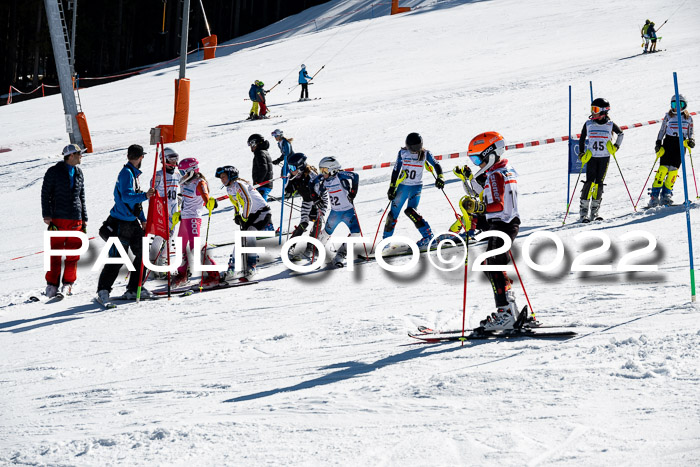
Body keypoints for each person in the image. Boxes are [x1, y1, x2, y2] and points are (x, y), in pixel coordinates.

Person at [460, 131, 523, 331]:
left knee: (492, 266)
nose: (477, 163)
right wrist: (478, 218)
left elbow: (496, 204)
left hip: (501, 225)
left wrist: (476, 209)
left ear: (491, 154)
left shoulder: (495, 174)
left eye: (478, 158)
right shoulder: (505, 169)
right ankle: (510, 309)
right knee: (493, 266)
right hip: (506, 223)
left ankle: (505, 313)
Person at [96, 145, 156, 302]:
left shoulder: (133, 174)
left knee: (143, 254)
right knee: (117, 258)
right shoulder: (126, 173)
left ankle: (134, 288)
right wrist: (145, 195)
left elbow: (136, 204)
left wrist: (142, 219)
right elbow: (127, 197)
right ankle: (103, 290)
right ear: (141, 157)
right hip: (120, 223)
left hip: (132, 223)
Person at [41, 143, 88, 297]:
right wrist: (46, 214)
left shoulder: (79, 172)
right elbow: (45, 194)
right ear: (71, 155)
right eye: (80, 153)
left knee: (73, 254)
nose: (82, 156)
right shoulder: (53, 172)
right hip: (58, 219)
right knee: (54, 253)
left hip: (76, 219)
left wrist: (84, 218)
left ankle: (68, 284)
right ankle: (52, 285)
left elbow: (82, 197)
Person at [382, 132, 443, 249]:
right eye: (413, 148)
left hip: (416, 187)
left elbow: (436, 164)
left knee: (411, 212)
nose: (415, 150)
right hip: (403, 187)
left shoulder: (425, 153)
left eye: (417, 147)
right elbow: (396, 170)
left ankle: (429, 237)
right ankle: (386, 242)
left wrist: (440, 176)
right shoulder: (402, 153)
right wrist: (392, 187)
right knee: (392, 215)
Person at [215, 166, 273, 279]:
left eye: (224, 176)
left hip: (262, 212)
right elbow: (235, 203)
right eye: (221, 178)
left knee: (249, 234)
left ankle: (251, 266)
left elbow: (248, 201)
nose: (222, 179)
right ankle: (232, 268)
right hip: (252, 214)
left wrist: (244, 217)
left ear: (231, 175)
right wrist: (237, 215)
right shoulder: (229, 188)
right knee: (241, 239)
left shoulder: (239, 185)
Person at [171, 158, 219, 287]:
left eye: (183, 172)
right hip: (185, 218)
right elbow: (185, 201)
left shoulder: (199, 182)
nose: (182, 175)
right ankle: (182, 274)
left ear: (192, 170)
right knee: (180, 247)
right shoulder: (184, 183)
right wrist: (179, 213)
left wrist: (210, 203)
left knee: (194, 248)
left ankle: (214, 274)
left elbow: (206, 197)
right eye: (180, 172)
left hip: (193, 219)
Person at [578, 98, 624, 223]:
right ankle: (583, 212)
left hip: (604, 158)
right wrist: (581, 153)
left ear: (604, 111)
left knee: (599, 183)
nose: (593, 112)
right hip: (592, 158)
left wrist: (616, 147)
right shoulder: (589, 124)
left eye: (596, 109)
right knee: (589, 182)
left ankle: (594, 211)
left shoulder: (610, 124)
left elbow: (621, 134)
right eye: (592, 109)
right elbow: (582, 138)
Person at [310, 156, 360, 267]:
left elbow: (355, 176)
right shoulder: (324, 179)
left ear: (332, 169)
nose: (322, 173)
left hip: (348, 212)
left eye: (324, 170)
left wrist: (353, 192)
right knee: (325, 234)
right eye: (321, 170)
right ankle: (317, 255)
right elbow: (311, 183)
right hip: (335, 213)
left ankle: (340, 255)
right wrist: (315, 198)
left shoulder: (340, 176)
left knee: (356, 235)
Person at [650, 95, 695, 207]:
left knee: (673, 171)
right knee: (663, 169)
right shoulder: (668, 116)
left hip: (680, 145)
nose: (677, 108)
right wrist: (658, 142)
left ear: (685, 105)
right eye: (674, 105)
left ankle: (666, 195)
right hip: (668, 143)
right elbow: (662, 130)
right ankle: (654, 195)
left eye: (680, 105)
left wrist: (691, 140)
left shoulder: (688, 118)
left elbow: (691, 132)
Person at [284, 152, 329, 260]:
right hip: (307, 200)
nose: (290, 169)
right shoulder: (294, 176)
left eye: (292, 167)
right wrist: (289, 191)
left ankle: (311, 247)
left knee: (317, 221)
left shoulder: (312, 176)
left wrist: (315, 207)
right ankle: (290, 247)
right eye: (289, 167)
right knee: (304, 222)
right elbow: (289, 187)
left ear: (300, 167)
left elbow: (318, 193)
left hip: (319, 200)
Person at [148, 147, 181, 272]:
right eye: (172, 159)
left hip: (174, 211)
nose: (174, 162)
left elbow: (181, 190)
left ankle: (163, 260)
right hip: (162, 210)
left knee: (171, 236)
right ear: (164, 159)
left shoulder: (178, 174)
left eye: (176, 159)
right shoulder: (159, 175)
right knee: (160, 235)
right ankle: (152, 261)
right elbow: (152, 192)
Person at [248, 133, 274, 201]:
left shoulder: (259, 153)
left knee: (261, 206)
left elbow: (264, 169)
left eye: (250, 144)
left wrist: (258, 182)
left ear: (255, 143)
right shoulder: (264, 151)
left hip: (263, 185)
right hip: (265, 184)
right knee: (261, 205)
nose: (250, 147)